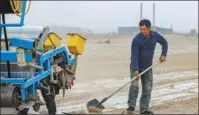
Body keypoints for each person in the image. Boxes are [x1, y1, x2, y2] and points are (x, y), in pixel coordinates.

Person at [127, 19, 168, 115]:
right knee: (134, 86)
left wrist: (163, 54)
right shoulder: (136, 39)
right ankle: (131, 106)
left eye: (144, 29)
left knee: (147, 89)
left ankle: (144, 110)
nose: (142, 31)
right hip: (135, 66)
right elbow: (134, 55)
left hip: (148, 67)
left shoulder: (155, 36)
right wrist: (136, 69)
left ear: (149, 28)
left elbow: (164, 43)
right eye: (140, 29)